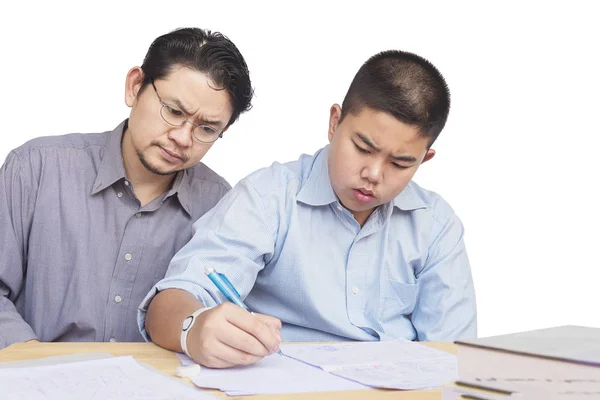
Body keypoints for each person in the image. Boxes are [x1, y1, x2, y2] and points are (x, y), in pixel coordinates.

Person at [140, 50, 477, 368]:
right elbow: (173, 298)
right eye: (362, 148)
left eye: (401, 163)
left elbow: (453, 356)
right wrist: (195, 327)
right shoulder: (268, 196)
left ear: (424, 158)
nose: (373, 175)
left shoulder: (435, 225)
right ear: (334, 123)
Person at [0, 27, 253, 349]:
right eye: (174, 111)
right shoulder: (35, 168)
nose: (183, 137)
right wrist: (34, 359)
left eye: (207, 128)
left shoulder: (220, 203)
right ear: (135, 86)